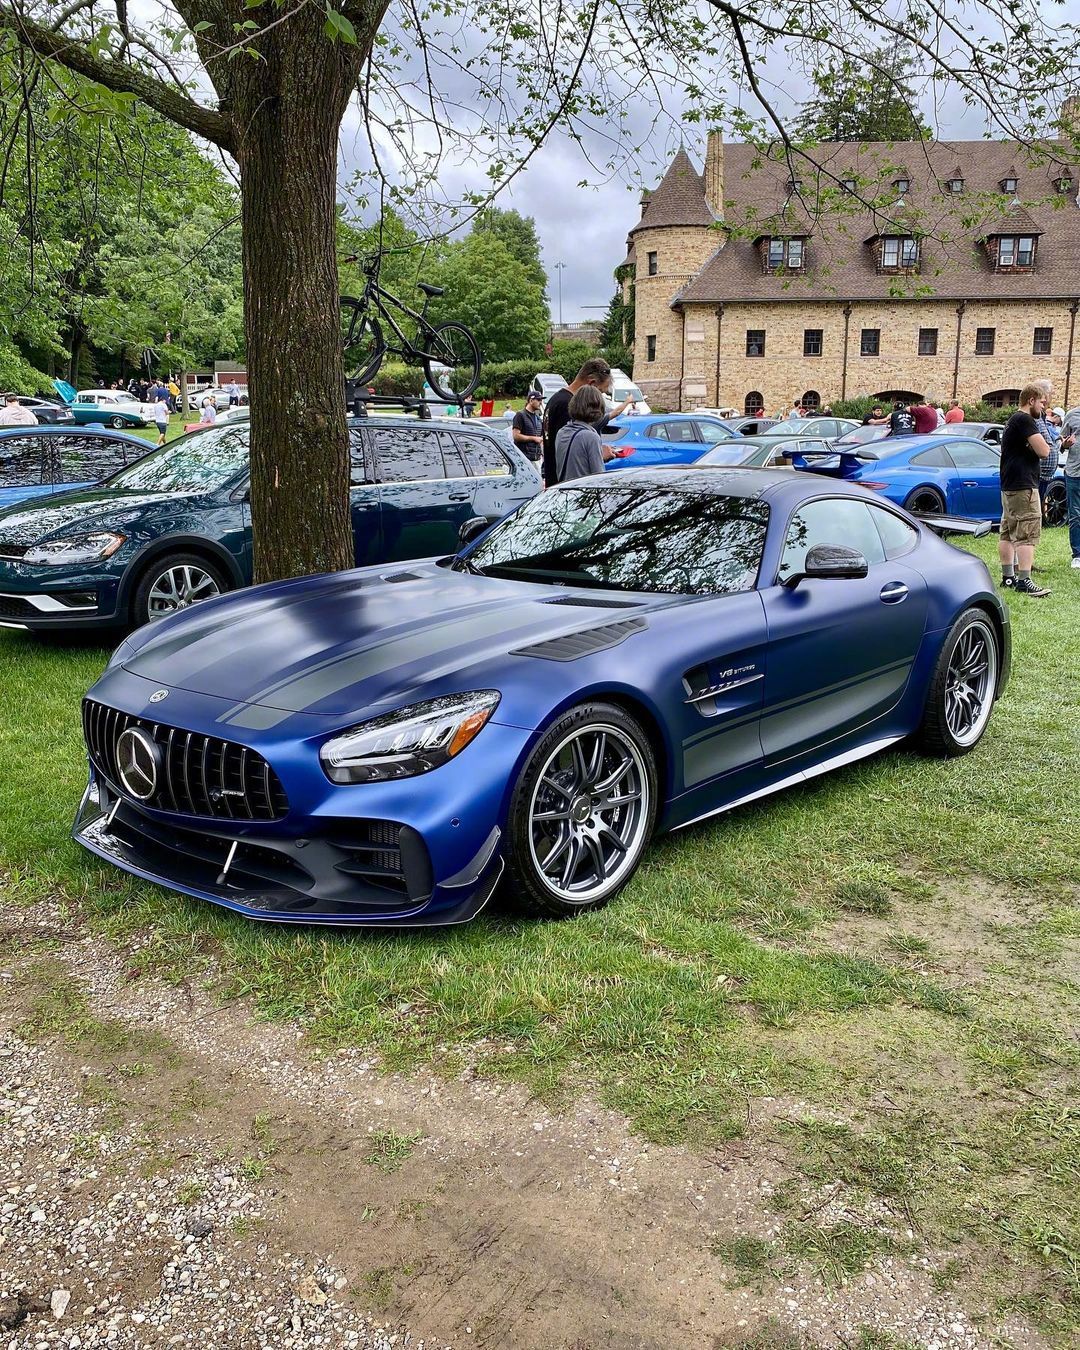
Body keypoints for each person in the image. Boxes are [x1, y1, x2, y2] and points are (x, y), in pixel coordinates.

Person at [999, 383, 1054, 596]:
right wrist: (1038, 442)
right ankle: (1024, 580)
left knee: (1007, 530)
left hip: (1010, 485)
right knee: (1027, 533)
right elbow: (1044, 451)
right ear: (1031, 400)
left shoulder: (1014, 420)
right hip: (1023, 486)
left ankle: (1008, 577)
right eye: (1041, 402)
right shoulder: (1025, 419)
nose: (1043, 407)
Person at [542, 359, 632, 487]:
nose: (600, 398)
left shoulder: (556, 399)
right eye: (600, 392)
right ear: (591, 384)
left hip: (556, 486)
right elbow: (573, 455)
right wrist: (598, 454)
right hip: (568, 487)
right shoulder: (565, 405)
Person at [554, 386, 613, 482]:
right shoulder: (591, 437)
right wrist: (602, 457)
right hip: (582, 493)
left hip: (565, 491)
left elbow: (574, 464)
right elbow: (599, 477)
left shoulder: (561, 432)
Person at [1061, 405, 1080, 569]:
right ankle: (1077, 555)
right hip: (1075, 472)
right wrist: (1066, 444)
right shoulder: (1072, 415)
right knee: (1075, 514)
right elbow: (1061, 442)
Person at [511, 390, 544, 462]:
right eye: (538, 400)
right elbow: (516, 436)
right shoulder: (520, 415)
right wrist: (533, 438)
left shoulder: (538, 418)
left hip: (537, 459)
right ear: (531, 400)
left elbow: (540, 439)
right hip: (523, 459)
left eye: (541, 400)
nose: (541, 402)